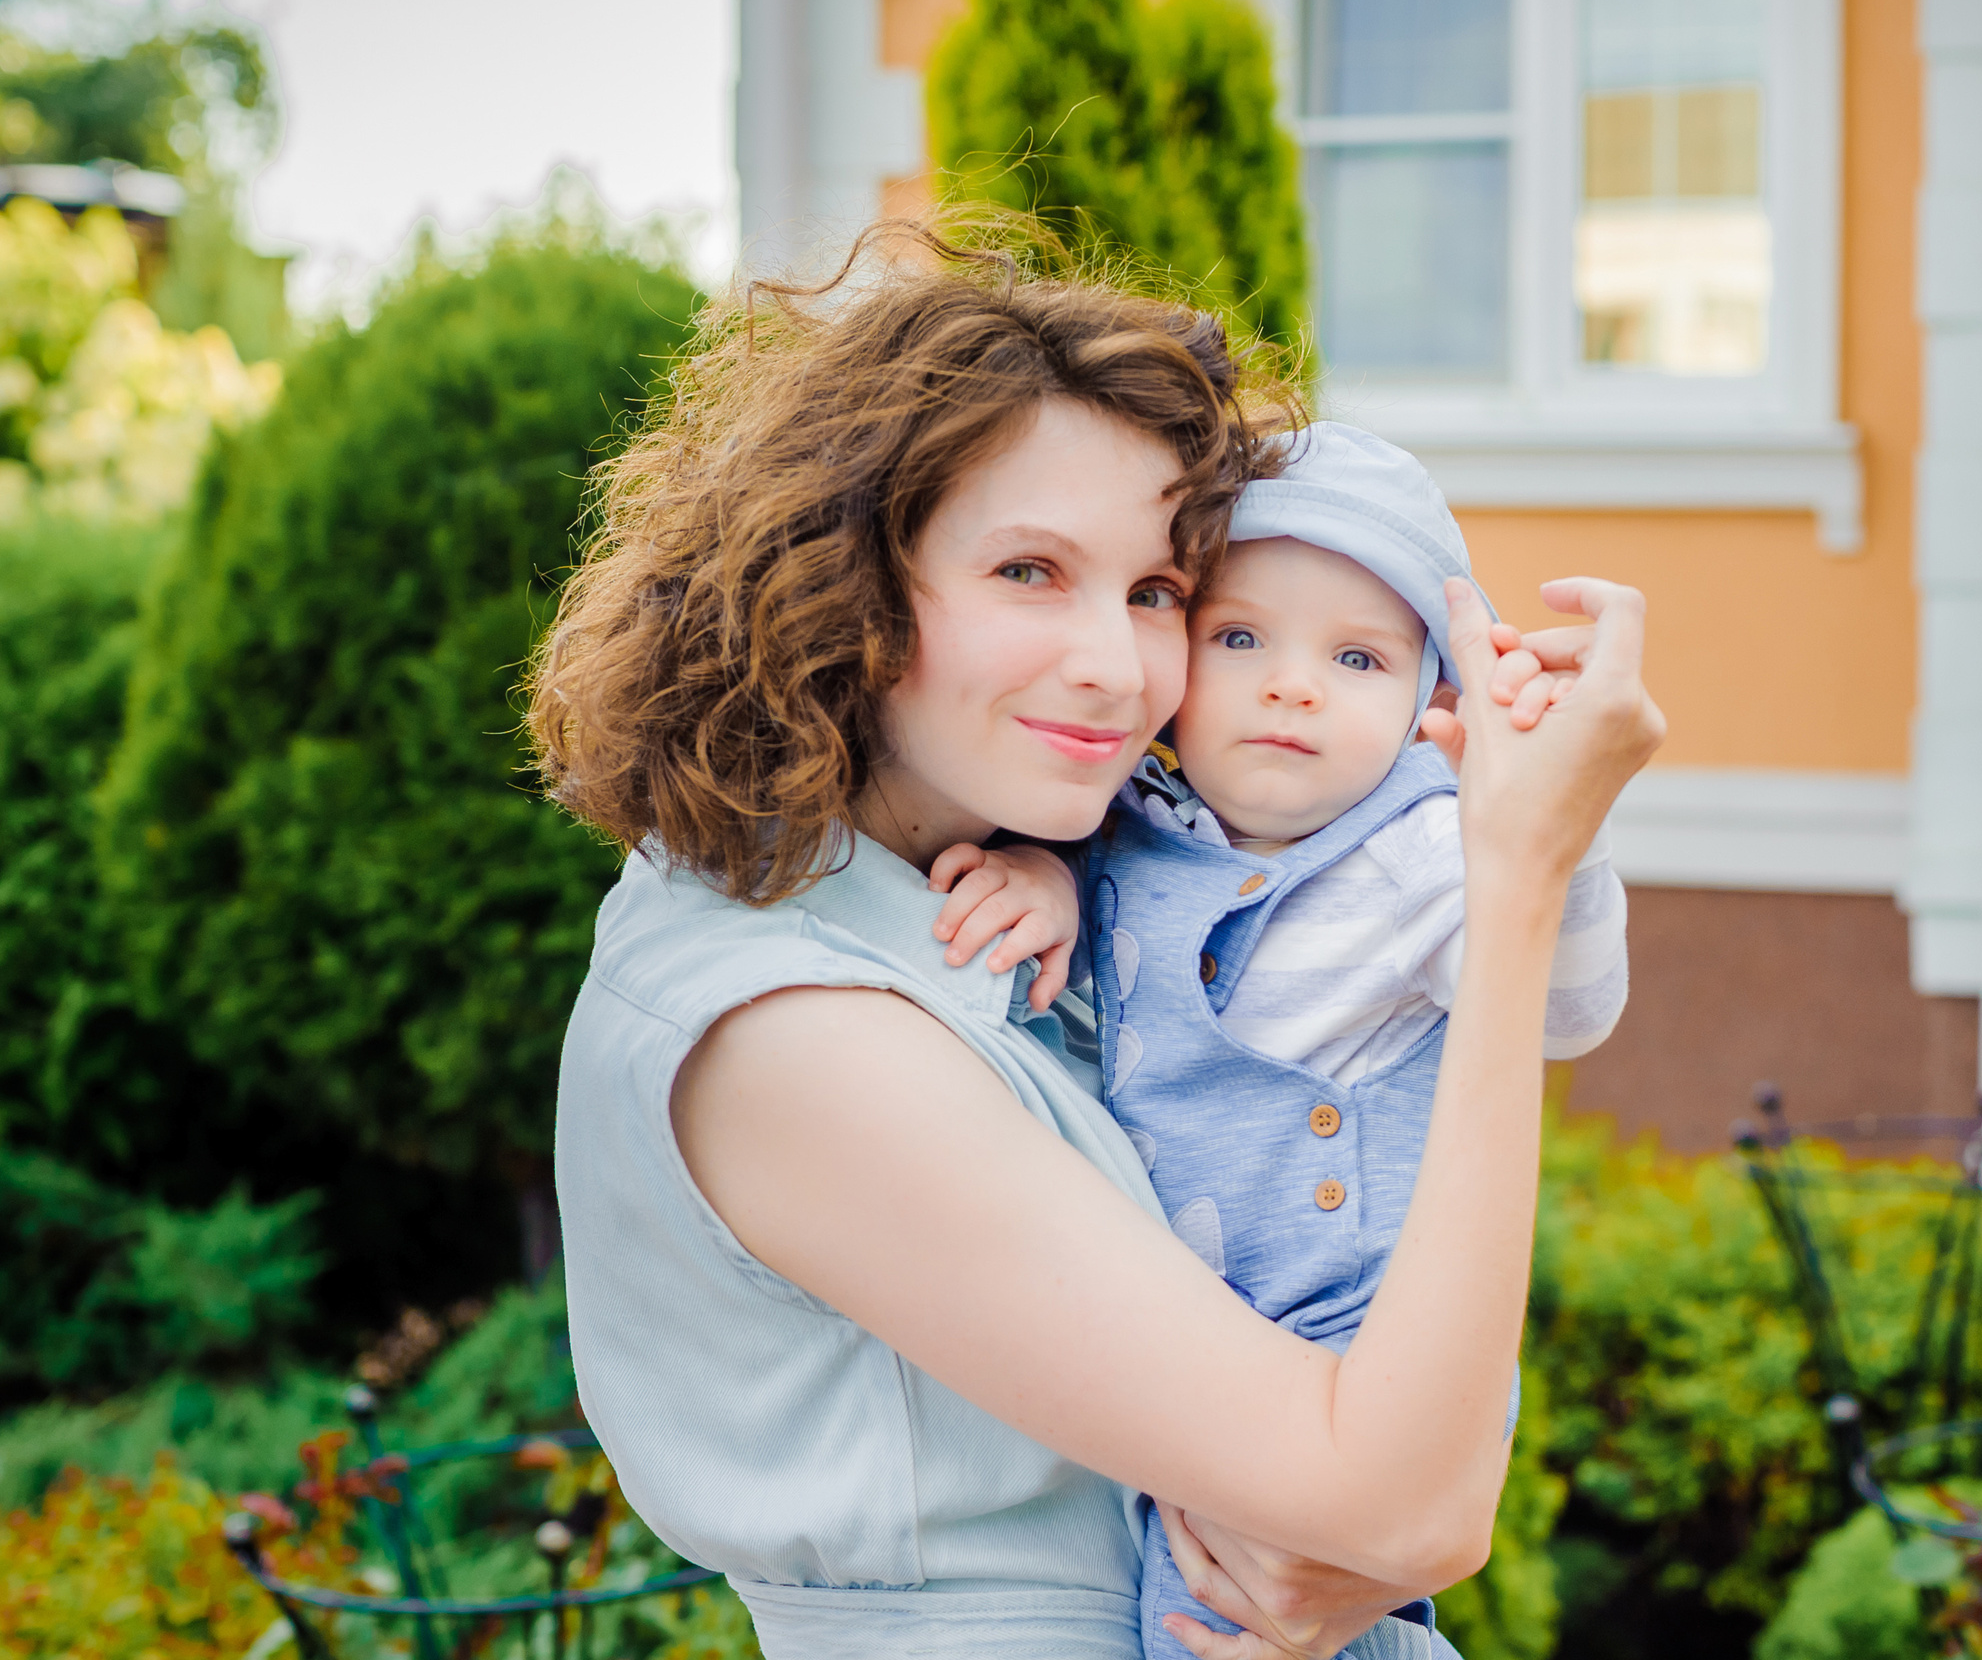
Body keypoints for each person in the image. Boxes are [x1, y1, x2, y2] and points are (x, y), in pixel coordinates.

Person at [527, 226, 1666, 1660]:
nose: (1117, 666)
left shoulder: (1007, 885)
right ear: (846, 581)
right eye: (1028, 572)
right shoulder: (795, 1032)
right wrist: (1516, 877)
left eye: (1156, 594)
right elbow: (1415, 1512)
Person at [926, 424, 1628, 1659]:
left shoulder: (1417, 854)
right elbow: (1095, 906)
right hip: (1183, 1350)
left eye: (1357, 657)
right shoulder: (1132, 818)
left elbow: (1568, 1012)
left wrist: (1554, 838)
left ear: (1427, 705)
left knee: (1248, 1618)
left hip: (1352, 1343)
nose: (1291, 684)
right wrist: (1041, 879)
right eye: (1239, 638)